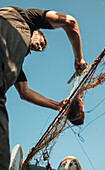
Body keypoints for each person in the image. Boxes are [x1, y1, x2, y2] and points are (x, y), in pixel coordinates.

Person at [0, 6, 87, 169]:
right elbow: (70, 21)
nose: (40, 47)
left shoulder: (16, 62)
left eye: (41, 48)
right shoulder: (26, 18)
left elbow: (25, 93)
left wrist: (57, 105)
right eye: (42, 42)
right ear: (37, 31)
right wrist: (79, 59)